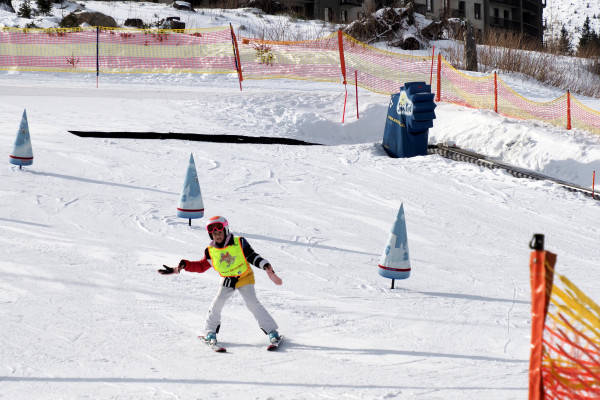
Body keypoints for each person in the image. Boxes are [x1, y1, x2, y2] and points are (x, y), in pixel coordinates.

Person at [158, 215, 283, 345]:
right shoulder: (211, 251)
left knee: (252, 304)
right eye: (214, 234)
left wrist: (266, 266)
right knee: (216, 304)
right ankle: (210, 333)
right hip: (228, 280)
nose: (217, 236)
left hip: (245, 277)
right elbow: (201, 266)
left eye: (219, 232)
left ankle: (272, 333)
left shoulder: (239, 242)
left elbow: (251, 256)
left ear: (226, 230)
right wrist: (182, 266)